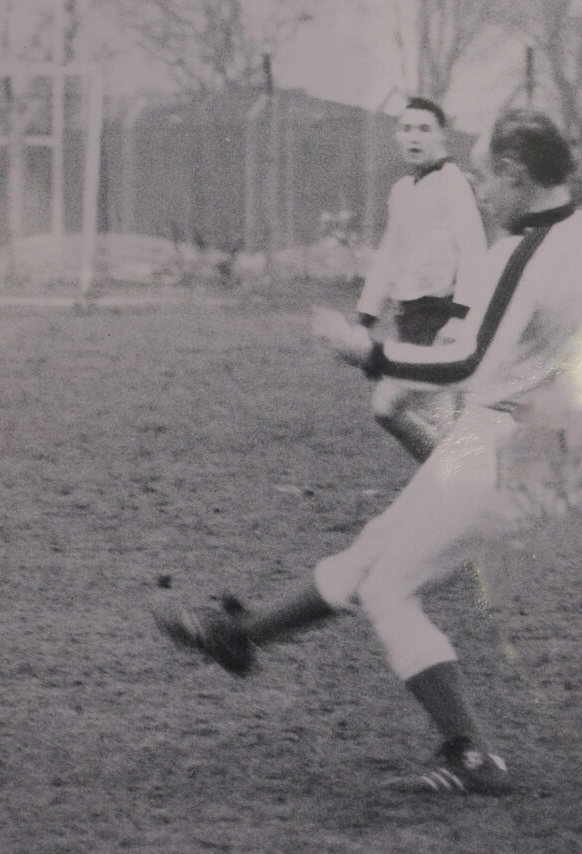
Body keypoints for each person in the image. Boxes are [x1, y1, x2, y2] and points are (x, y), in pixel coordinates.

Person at [154, 109, 580, 796]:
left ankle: (471, 756)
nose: (481, 192)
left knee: (389, 587)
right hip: (536, 445)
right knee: (374, 551)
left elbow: (468, 363)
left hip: (505, 446)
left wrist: (369, 353)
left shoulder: (524, 254)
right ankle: (241, 637)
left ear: (514, 172)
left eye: (484, 177)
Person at [354, 97, 488, 460]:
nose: (414, 137)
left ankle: (460, 482)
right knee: (412, 413)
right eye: (407, 128)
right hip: (410, 317)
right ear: (397, 135)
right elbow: (389, 255)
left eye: (425, 129)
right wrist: (366, 315)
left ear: (442, 136)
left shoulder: (452, 182)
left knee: (397, 407)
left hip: (441, 316)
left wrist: (459, 318)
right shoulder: (402, 189)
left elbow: (473, 250)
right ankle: (457, 482)